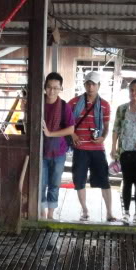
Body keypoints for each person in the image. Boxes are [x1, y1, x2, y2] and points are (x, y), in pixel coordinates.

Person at [68, 71, 115, 222]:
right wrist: (73, 135)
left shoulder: (105, 105)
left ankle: (109, 212)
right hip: (80, 148)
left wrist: (103, 137)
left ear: (99, 85)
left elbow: (107, 127)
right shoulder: (74, 103)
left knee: (104, 180)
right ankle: (85, 210)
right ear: (84, 84)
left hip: (97, 149)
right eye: (88, 83)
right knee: (79, 180)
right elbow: (66, 123)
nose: (90, 86)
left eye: (93, 83)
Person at [111, 79, 136, 224]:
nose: (134, 93)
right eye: (131, 90)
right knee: (126, 182)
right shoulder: (122, 109)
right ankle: (126, 212)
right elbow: (116, 129)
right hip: (125, 150)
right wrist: (113, 147)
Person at [40, 72, 74, 220]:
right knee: (41, 184)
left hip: (59, 152)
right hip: (41, 151)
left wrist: (49, 133)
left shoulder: (64, 106)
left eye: (55, 88)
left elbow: (71, 129)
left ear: (61, 88)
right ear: (44, 87)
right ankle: (41, 214)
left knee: (54, 184)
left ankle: (50, 215)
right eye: (49, 87)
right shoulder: (38, 104)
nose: (52, 91)